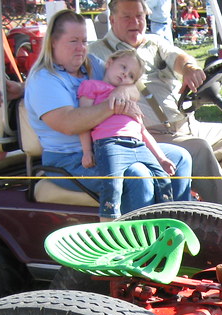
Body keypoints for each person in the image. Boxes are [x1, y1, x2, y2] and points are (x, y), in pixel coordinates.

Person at [24, 9, 193, 217]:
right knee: (137, 175)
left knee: (180, 157)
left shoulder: (92, 64)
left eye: (84, 41)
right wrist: (114, 104)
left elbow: (132, 85)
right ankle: (139, 235)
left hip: (114, 146)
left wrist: (122, 91)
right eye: (73, 41)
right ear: (53, 42)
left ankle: (177, 223)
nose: (81, 48)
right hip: (71, 159)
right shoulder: (44, 80)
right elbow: (70, 124)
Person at [91, 0, 222, 203]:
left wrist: (189, 68)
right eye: (127, 17)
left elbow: (177, 57)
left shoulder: (154, 42)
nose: (134, 22)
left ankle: (219, 201)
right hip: (148, 134)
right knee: (199, 148)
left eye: (139, 16)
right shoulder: (97, 53)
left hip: (185, 125)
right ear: (112, 20)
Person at [79, 49, 191, 218]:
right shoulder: (92, 86)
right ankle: (109, 225)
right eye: (123, 67)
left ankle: (168, 218)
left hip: (138, 144)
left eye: (131, 75)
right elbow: (84, 121)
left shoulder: (129, 98)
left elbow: (143, 131)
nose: (125, 74)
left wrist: (161, 158)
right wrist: (87, 151)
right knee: (113, 185)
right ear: (109, 63)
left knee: (162, 178)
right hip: (110, 144)